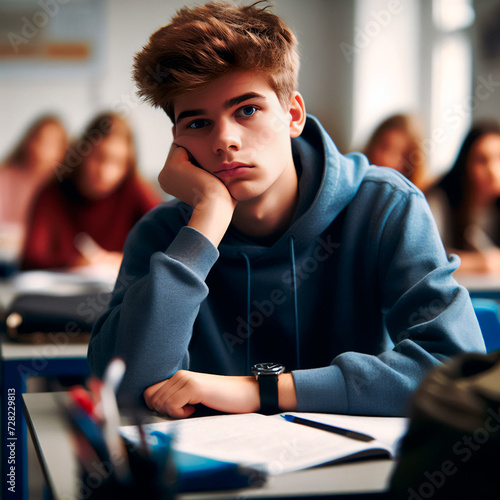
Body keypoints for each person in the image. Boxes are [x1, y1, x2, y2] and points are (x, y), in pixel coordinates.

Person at [88, 1, 484, 417]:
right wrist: (206, 222)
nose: (226, 140)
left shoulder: (385, 207)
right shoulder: (163, 233)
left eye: (247, 110)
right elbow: (125, 389)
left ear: (293, 115)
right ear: (177, 141)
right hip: (215, 476)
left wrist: (262, 391)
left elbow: (457, 372)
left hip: (355, 474)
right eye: (198, 122)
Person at [21, 112, 162, 273]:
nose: (105, 171)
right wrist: (74, 264)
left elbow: (170, 244)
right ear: (83, 153)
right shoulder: (53, 192)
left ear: (128, 165)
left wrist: (122, 259)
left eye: (117, 162)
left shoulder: (134, 190)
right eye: (99, 157)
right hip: (59, 293)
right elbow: (30, 259)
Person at [426, 120, 500, 274]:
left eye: (499, 158)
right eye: (482, 160)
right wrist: (479, 263)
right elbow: (426, 258)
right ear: (465, 164)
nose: (493, 170)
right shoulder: (439, 200)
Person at [0, 115, 68, 273]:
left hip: (48, 266)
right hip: (8, 258)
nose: (43, 149)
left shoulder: (62, 188)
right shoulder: (6, 176)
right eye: (40, 140)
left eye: (52, 144)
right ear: (28, 141)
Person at [363, 113, 430, 191]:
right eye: (384, 147)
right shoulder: (351, 180)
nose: (387, 160)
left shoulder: (421, 198)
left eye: (403, 157)